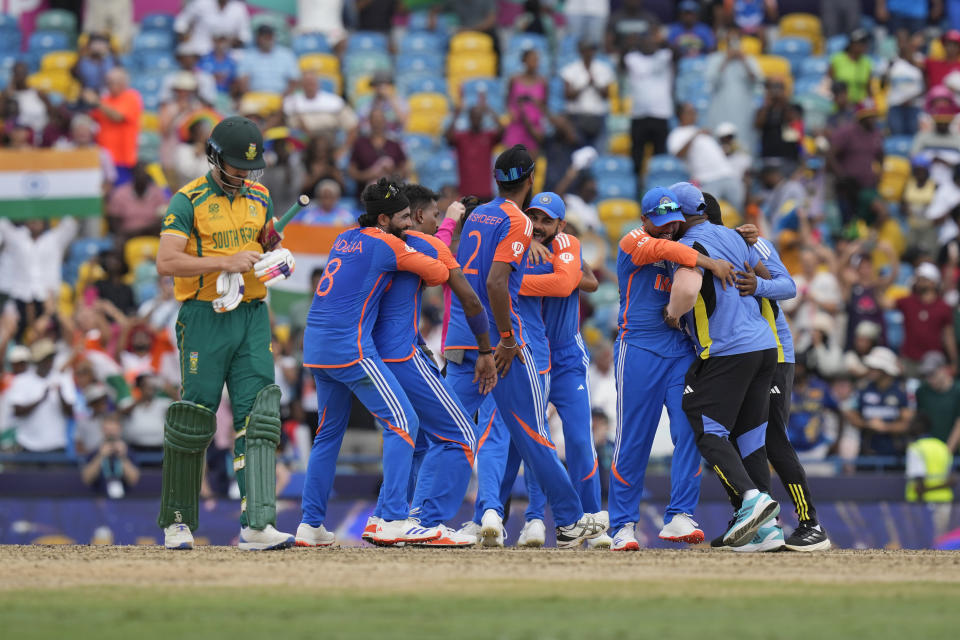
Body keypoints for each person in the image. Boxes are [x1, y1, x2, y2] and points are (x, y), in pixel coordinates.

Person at [443, 144, 605, 548]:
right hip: (515, 345)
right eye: (535, 216)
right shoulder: (518, 232)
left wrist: (527, 272)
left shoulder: (497, 222)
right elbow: (513, 282)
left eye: (547, 220)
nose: (539, 224)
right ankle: (508, 515)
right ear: (529, 183)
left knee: (507, 434)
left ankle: (523, 516)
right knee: (514, 435)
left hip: (520, 347)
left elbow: (578, 281)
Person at [155, 115, 297, 551]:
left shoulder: (260, 195)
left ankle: (257, 524)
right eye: (237, 166)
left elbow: (265, 241)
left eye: (251, 168)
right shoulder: (188, 199)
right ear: (214, 158)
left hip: (252, 314)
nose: (245, 175)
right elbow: (166, 262)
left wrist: (276, 252)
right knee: (194, 416)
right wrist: (223, 261)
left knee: (260, 415)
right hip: (204, 315)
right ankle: (177, 521)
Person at [297, 178, 456, 547]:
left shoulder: (345, 237)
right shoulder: (387, 244)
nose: (409, 225)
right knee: (404, 421)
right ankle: (394, 518)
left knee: (327, 435)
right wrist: (431, 241)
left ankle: (310, 524)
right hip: (348, 347)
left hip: (316, 346)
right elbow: (438, 274)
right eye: (403, 217)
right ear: (383, 219)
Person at [352, 184, 496, 548]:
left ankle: (387, 516)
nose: (438, 223)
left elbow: (436, 242)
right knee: (461, 432)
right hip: (403, 356)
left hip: (370, 354)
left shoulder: (373, 241)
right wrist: (485, 350)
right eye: (433, 216)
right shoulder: (424, 246)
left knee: (414, 439)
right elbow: (470, 300)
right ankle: (424, 521)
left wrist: (449, 220)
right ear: (416, 217)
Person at [610, 186, 738, 551]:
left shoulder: (684, 243)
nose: (668, 229)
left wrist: (741, 236)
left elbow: (699, 244)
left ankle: (680, 514)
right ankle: (622, 526)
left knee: (689, 432)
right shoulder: (633, 240)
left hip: (680, 350)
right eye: (661, 222)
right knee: (634, 439)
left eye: (674, 223)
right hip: (637, 349)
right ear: (644, 219)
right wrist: (708, 261)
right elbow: (665, 248)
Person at [707, 194, 831, 551]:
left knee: (772, 438)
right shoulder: (706, 248)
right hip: (742, 354)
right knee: (739, 439)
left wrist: (758, 284)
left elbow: (788, 286)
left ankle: (810, 523)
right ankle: (763, 525)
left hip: (775, 353)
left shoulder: (751, 241)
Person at [662, 184, 781, 548]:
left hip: (728, 348)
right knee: (748, 438)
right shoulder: (732, 236)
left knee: (704, 424)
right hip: (764, 346)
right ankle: (766, 533)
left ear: (682, 217)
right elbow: (775, 282)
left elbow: (685, 290)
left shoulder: (686, 247)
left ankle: (752, 499)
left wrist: (672, 314)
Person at [0, 217, 78, 340]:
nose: (35, 219)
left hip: (48, 301)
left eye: (38, 215)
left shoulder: (54, 239)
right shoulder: (16, 238)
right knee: (10, 333)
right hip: (20, 298)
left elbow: (70, 223)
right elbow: (3, 220)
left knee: (52, 336)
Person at [667, 102, 744, 212]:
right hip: (707, 179)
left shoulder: (700, 130)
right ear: (681, 115)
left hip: (727, 174)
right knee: (709, 215)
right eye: (690, 112)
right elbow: (678, 154)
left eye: (695, 112)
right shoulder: (677, 134)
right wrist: (695, 135)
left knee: (739, 212)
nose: (694, 115)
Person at [843, 346, 915, 459]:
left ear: (885, 370)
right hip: (867, 454)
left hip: (894, 456)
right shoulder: (863, 388)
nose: (869, 370)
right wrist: (867, 424)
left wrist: (885, 427)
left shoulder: (902, 391)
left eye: (874, 367)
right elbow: (851, 415)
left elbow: (907, 424)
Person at [6, 339, 75, 453]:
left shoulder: (63, 378)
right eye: (46, 359)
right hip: (28, 444)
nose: (50, 362)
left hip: (56, 445)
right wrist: (41, 399)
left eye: (51, 358)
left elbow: (70, 413)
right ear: (38, 361)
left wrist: (60, 394)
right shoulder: (21, 380)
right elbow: (17, 411)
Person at [624, 28, 674, 177]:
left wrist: (663, 40)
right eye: (645, 40)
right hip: (639, 115)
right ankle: (637, 190)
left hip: (661, 114)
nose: (649, 44)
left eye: (651, 41)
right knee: (636, 158)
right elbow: (622, 55)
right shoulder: (632, 58)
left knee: (660, 158)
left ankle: (659, 190)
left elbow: (677, 52)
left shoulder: (664, 56)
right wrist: (632, 41)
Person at [827, 100, 884, 225]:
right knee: (848, 222)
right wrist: (841, 175)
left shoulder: (876, 134)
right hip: (848, 189)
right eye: (869, 116)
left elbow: (880, 156)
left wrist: (880, 173)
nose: (873, 120)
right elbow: (831, 155)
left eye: (874, 116)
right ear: (861, 117)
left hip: (868, 187)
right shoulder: (847, 133)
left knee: (869, 220)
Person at [896, 262, 957, 377]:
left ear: (933, 282)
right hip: (909, 361)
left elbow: (948, 336)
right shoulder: (907, 301)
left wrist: (953, 362)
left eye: (923, 279)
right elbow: (883, 303)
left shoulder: (944, 307)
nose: (919, 282)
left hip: (934, 362)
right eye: (918, 279)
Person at [705, 31, 762, 154]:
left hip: (744, 106)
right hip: (721, 106)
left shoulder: (749, 59)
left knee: (744, 137)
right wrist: (726, 60)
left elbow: (757, 81)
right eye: (730, 42)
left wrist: (744, 61)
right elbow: (712, 82)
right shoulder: (715, 58)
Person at [85, 68, 142, 185]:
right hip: (103, 158)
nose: (108, 86)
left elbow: (117, 117)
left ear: (123, 83)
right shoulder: (105, 99)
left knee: (120, 193)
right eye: (107, 82)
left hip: (122, 158)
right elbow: (91, 118)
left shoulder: (131, 97)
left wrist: (96, 102)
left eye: (111, 82)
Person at [446, 94, 503, 201]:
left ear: (482, 118)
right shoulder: (462, 137)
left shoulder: (488, 136)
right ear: (469, 118)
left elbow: (502, 131)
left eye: (478, 117)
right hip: (466, 192)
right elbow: (448, 137)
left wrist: (488, 110)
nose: (476, 119)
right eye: (474, 117)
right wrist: (456, 115)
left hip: (485, 192)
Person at [560, 40, 614, 149]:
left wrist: (594, 84)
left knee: (598, 152)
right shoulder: (571, 69)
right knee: (578, 153)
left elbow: (606, 95)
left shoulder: (603, 69)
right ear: (580, 51)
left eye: (591, 50)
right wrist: (585, 85)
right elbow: (568, 96)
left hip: (598, 116)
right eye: (586, 50)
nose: (589, 53)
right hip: (577, 116)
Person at [348, 108, 408, 191]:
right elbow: (352, 172)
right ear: (370, 122)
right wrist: (368, 175)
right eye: (375, 119)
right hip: (366, 195)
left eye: (380, 119)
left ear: (385, 121)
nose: (377, 123)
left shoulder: (394, 145)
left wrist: (392, 173)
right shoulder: (360, 144)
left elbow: (404, 171)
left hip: (390, 195)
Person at [503, 49, 548, 156]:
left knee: (530, 166)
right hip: (517, 125)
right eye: (532, 59)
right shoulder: (514, 79)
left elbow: (544, 105)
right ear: (524, 61)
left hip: (533, 129)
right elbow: (508, 99)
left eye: (536, 60)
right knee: (511, 165)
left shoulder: (543, 82)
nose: (535, 63)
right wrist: (511, 111)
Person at [881, 30, 926, 137]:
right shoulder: (891, 62)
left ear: (910, 41)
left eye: (905, 41)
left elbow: (926, 85)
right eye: (899, 41)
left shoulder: (920, 59)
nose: (902, 44)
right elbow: (882, 85)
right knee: (897, 137)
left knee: (914, 138)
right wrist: (886, 72)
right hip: (896, 106)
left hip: (914, 106)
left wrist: (910, 99)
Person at [105, 162, 169, 237]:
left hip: (152, 233)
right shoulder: (120, 193)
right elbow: (113, 219)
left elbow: (164, 217)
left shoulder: (158, 193)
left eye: (144, 174)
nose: (141, 177)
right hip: (128, 235)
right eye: (138, 173)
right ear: (133, 175)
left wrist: (144, 230)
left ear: (148, 176)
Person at [235, 24, 300, 96]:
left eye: (270, 36)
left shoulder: (286, 55)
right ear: (258, 38)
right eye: (265, 37)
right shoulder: (248, 56)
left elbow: (294, 80)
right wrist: (250, 97)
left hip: (281, 97)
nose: (268, 39)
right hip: (256, 98)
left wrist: (284, 97)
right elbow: (242, 80)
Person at [915, 351, 960, 453]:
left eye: (932, 373)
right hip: (929, 451)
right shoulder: (922, 391)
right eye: (925, 375)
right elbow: (921, 422)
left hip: (955, 454)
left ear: (944, 369)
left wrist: (946, 453)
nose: (929, 379)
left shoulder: (958, 391)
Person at [174, 0, 251, 57]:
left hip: (226, 51)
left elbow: (245, 34)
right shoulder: (201, 3)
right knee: (184, 50)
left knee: (241, 56)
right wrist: (183, 35)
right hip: (200, 49)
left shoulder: (239, 8)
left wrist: (233, 41)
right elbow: (182, 21)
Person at [829, 27, 872, 104]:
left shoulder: (867, 63)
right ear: (852, 44)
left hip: (859, 107)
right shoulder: (837, 59)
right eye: (860, 43)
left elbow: (868, 87)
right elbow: (828, 82)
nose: (863, 46)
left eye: (865, 43)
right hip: (839, 106)